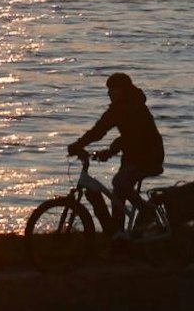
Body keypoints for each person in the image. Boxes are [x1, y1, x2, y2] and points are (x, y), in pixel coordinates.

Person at [66, 72, 165, 237]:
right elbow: (113, 134)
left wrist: (78, 145)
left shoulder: (129, 107)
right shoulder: (124, 106)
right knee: (118, 193)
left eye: (112, 89)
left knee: (119, 183)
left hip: (148, 156)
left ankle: (146, 212)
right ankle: (118, 237)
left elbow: (103, 133)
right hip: (134, 156)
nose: (109, 93)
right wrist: (109, 152)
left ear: (122, 90)